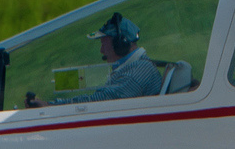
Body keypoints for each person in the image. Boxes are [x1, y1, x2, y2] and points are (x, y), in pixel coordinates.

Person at [25, 13, 161, 106]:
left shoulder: (139, 72)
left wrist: (51, 106)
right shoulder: (133, 68)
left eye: (104, 44)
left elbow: (101, 102)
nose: (102, 51)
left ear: (120, 45)